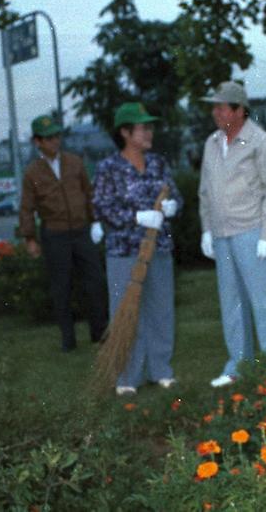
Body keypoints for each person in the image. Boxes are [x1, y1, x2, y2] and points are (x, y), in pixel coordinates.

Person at [198, 81, 266, 388]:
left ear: (239, 110)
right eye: (214, 106)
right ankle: (238, 365)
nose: (215, 112)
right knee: (231, 303)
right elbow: (205, 191)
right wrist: (207, 229)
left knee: (265, 303)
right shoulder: (211, 143)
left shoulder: (260, 141)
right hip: (222, 235)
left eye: (221, 106)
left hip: (252, 232)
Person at [92, 103, 183, 395]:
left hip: (159, 247)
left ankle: (160, 369)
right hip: (124, 250)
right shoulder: (108, 168)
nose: (149, 132)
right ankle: (128, 375)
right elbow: (102, 206)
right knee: (126, 311)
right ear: (126, 132)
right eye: (143, 127)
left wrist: (172, 206)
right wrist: (135, 217)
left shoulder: (158, 163)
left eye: (149, 127)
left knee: (161, 309)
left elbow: (175, 195)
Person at [18, 115, 109, 352]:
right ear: (37, 141)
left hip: (81, 231)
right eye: (48, 138)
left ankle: (99, 332)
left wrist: (96, 221)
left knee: (96, 281)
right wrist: (30, 239)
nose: (54, 142)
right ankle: (68, 339)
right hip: (54, 234)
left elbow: (88, 194)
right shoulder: (32, 172)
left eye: (56, 136)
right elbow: (27, 208)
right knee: (62, 287)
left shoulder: (75, 162)